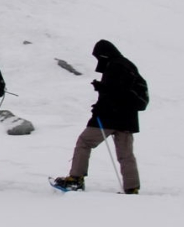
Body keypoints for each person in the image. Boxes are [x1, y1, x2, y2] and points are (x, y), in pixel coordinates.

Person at [52, 39, 143, 194]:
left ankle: (76, 179)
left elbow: (114, 93)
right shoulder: (128, 65)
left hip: (109, 117)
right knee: (126, 154)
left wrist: (100, 99)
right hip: (128, 119)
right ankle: (132, 187)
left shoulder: (114, 66)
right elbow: (123, 93)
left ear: (104, 54)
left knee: (84, 142)